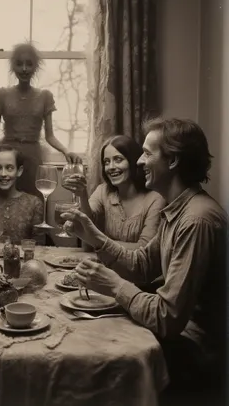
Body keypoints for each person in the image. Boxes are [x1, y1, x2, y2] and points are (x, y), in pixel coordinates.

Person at [63, 118, 227, 403]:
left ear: (173, 160)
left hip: (195, 354)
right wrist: (95, 237)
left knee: (87, 361)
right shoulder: (178, 209)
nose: (139, 161)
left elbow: (167, 318)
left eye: (148, 153)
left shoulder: (196, 220)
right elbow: (141, 265)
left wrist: (114, 286)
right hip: (180, 339)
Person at [0, 42, 80, 197]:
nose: (24, 69)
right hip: (7, 156)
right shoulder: (2, 94)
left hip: (32, 158)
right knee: (0, 201)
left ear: (36, 67)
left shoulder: (44, 97)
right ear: (12, 66)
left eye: (29, 64)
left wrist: (66, 151)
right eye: (19, 64)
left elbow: (50, 136)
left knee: (32, 204)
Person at [63, 134, 165, 250]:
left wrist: (97, 241)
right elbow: (87, 221)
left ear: (133, 161)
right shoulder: (103, 191)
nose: (111, 167)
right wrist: (82, 195)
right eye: (106, 162)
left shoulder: (156, 198)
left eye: (118, 159)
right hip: (101, 265)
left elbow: (145, 248)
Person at [0, 144, 44, 246]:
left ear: (19, 171)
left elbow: (38, 246)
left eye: (9, 168)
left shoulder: (34, 203)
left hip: (22, 260)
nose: (3, 174)